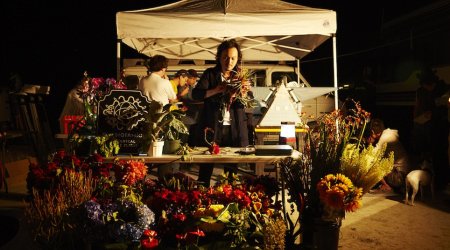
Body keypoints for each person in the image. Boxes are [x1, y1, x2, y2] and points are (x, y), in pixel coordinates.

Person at [192, 39, 251, 187]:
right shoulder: (210, 74)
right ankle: (201, 201)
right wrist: (217, 89)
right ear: (219, 57)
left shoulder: (240, 76)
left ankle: (230, 200)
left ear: (238, 59)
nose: (229, 61)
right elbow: (197, 94)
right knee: (206, 169)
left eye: (233, 58)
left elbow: (249, 102)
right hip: (212, 127)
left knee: (231, 172)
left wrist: (243, 93)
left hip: (234, 128)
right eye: (225, 57)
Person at [412, 67, 449, 191]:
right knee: (431, 154)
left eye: (429, 86)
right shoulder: (422, 91)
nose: (427, 88)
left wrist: (433, 113)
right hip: (427, 127)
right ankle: (432, 181)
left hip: (440, 127)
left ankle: (442, 182)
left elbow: (444, 108)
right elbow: (418, 108)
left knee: (440, 154)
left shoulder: (443, 90)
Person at [368, 118, 410, 193]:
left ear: (372, 131)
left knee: (371, 163)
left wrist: (370, 144)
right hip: (403, 176)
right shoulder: (389, 134)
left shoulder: (385, 138)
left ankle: (387, 186)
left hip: (398, 178)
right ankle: (390, 186)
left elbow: (370, 157)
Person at [178, 69, 204, 146]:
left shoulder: (191, 87)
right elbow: (186, 99)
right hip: (186, 118)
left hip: (193, 117)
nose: (194, 81)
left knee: (191, 139)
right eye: (193, 79)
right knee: (184, 138)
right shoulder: (183, 87)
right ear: (188, 78)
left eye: (195, 79)